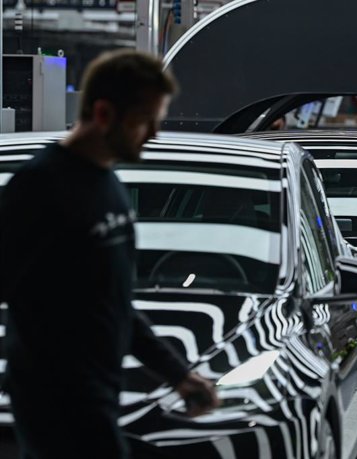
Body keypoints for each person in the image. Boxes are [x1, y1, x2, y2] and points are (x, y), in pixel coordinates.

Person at [0, 49, 219, 459]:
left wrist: (178, 376)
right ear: (103, 113)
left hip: (97, 393)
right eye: (145, 120)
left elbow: (113, 302)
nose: (154, 132)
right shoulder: (39, 188)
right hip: (56, 402)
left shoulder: (108, 185)